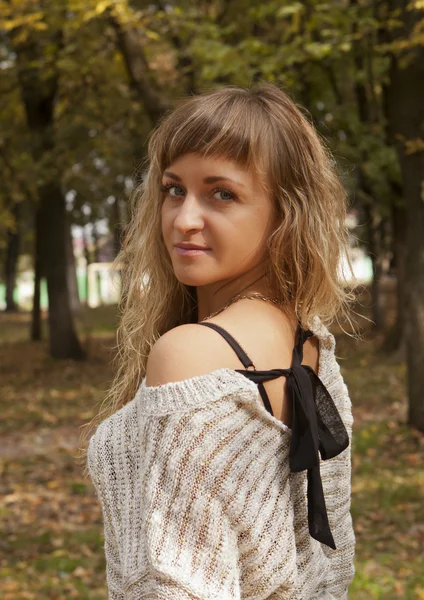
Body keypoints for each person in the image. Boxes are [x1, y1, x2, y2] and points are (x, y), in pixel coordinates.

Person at [85, 82, 356, 599]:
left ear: (285, 212)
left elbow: (177, 585)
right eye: (173, 189)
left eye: (222, 193)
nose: (184, 219)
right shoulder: (309, 341)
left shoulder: (192, 354)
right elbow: (329, 554)